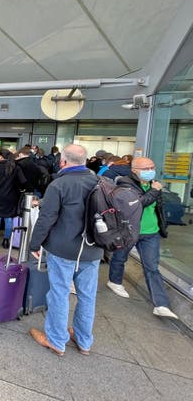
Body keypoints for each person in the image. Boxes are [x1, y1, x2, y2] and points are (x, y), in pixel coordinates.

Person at [29, 144, 103, 356]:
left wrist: (35, 244)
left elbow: (46, 218)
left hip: (63, 249)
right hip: (92, 249)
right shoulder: (99, 181)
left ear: (63, 161)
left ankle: (56, 340)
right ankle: (83, 340)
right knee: (87, 296)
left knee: (59, 294)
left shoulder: (59, 184)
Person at [106, 157, 178, 319]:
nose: (150, 171)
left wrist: (162, 226)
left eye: (152, 167)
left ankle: (161, 304)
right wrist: (155, 191)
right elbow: (137, 204)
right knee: (120, 258)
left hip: (151, 232)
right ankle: (114, 281)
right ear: (134, 170)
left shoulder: (154, 184)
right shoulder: (125, 184)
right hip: (129, 230)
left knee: (152, 267)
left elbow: (158, 207)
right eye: (145, 168)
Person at [0, 149, 27, 248]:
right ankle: (6, 241)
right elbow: (23, 181)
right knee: (8, 217)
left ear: (0, 157)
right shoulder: (16, 168)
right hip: (11, 197)